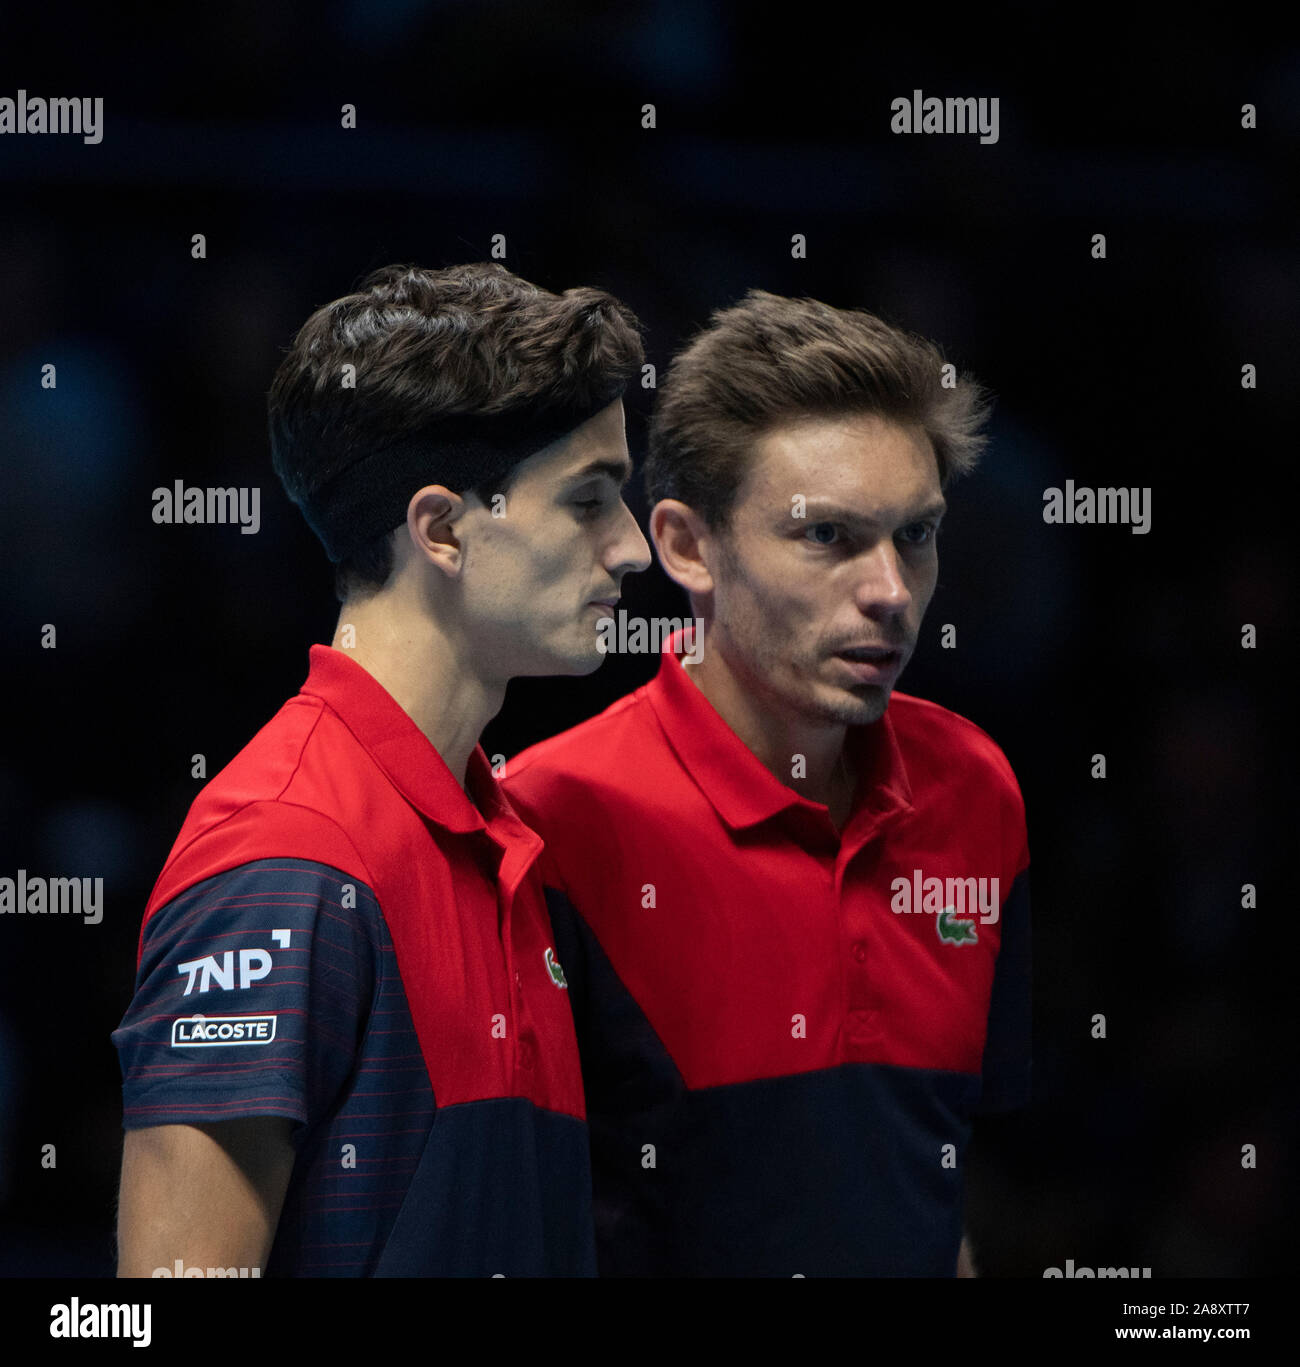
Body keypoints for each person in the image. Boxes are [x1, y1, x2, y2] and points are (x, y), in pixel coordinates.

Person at [111, 262, 651, 1276]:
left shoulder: (509, 838)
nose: (630, 547)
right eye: (588, 500)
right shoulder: (282, 854)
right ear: (441, 528)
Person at [502, 289, 1030, 1276]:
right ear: (688, 545)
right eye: (826, 536)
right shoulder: (550, 818)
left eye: (914, 534)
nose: (887, 590)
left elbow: (927, 1176)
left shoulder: (976, 788)